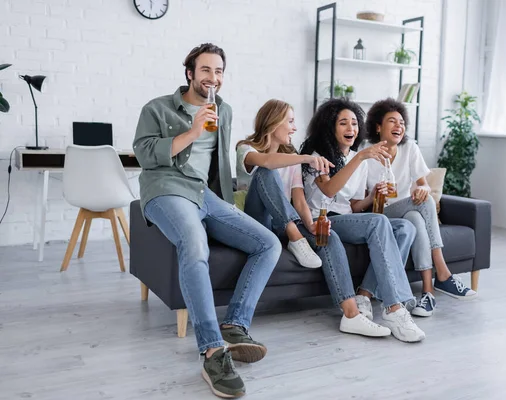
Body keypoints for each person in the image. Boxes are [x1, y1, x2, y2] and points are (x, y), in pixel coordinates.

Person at [133, 44, 281, 399]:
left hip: (205, 194)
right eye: (206, 71)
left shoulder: (223, 109)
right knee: (194, 243)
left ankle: (235, 324)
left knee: (268, 243)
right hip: (166, 189)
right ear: (190, 73)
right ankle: (213, 351)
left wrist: (231, 205)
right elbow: (143, 153)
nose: (212, 78)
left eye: (218, 72)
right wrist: (192, 132)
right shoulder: (157, 108)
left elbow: (221, 166)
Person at [236, 99, 391, 338]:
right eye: (289, 121)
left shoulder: (292, 157)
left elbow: (298, 200)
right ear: (273, 122)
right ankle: (295, 237)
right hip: (259, 223)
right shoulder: (245, 148)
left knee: (329, 237)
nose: (294, 128)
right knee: (266, 174)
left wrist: (312, 225)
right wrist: (307, 158)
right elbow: (266, 162)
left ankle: (351, 315)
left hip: (286, 224)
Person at [299, 98, 426, 343]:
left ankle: (364, 295)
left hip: (347, 219)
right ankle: (394, 308)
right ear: (330, 127)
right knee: (378, 222)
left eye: (354, 123)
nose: (351, 129)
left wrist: (373, 195)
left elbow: (355, 205)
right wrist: (359, 159)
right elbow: (329, 190)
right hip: (323, 220)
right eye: (343, 123)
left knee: (405, 228)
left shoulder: (360, 158)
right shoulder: (316, 156)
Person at [363, 98, 477, 318]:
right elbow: (359, 201)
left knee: (416, 218)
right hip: (379, 213)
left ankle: (427, 292)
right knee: (422, 205)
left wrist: (423, 189)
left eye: (402, 122)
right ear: (378, 127)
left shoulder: (409, 148)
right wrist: (375, 194)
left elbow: (423, 183)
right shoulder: (366, 153)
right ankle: (442, 273)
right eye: (392, 121)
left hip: (406, 212)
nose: (399, 126)